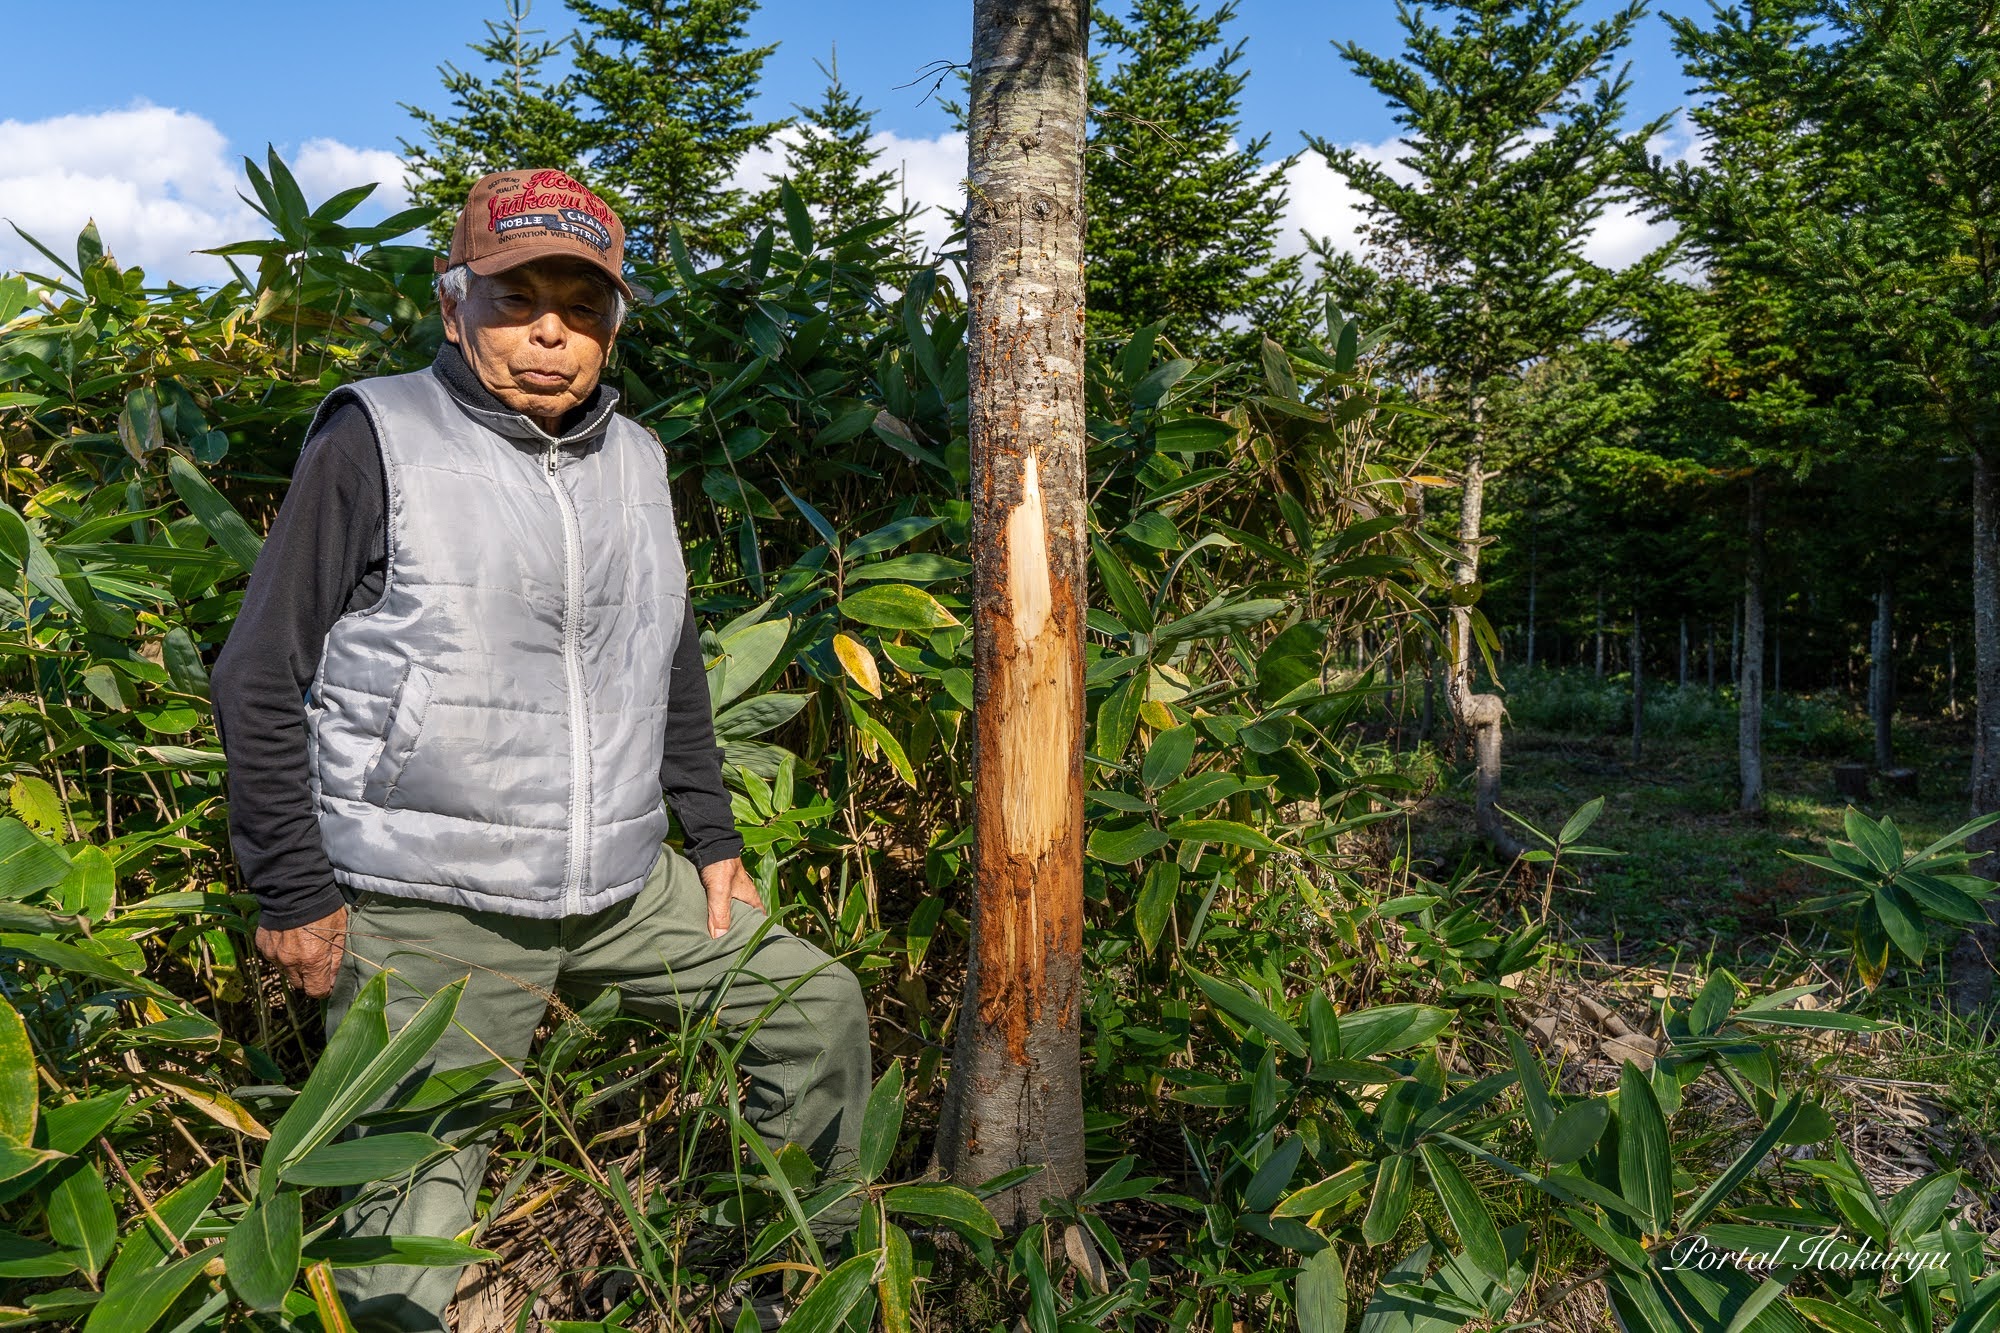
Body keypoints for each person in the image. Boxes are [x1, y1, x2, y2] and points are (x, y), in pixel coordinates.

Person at [212, 168, 871, 1331]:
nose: (553, 332)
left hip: (621, 884)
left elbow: (660, 652)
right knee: (402, 1220)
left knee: (813, 1011)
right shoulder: (375, 438)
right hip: (433, 899)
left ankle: (761, 1280)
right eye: (520, 299)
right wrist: (293, 886)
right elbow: (259, 672)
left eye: (584, 303)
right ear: (453, 302)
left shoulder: (637, 460)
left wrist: (708, 835)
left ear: (613, 322)